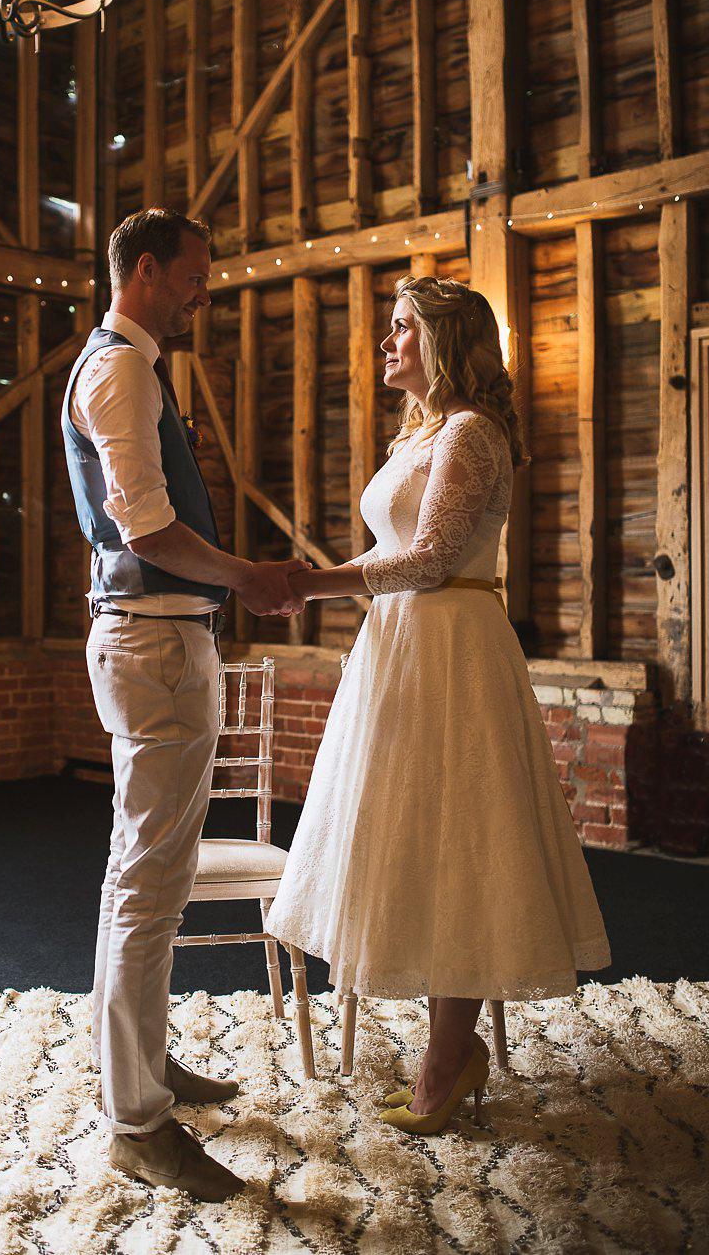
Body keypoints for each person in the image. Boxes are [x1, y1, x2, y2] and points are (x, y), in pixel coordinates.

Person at [265, 275, 611, 1135]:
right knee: (408, 836)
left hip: (450, 647)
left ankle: (447, 1058)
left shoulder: (470, 433)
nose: (387, 344)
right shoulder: (423, 433)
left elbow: (430, 558)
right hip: (398, 648)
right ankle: (450, 1050)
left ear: (445, 342)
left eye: (401, 329)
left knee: (459, 836)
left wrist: (313, 584)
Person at [61, 208, 309, 1201]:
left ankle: (146, 1072)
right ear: (149, 269)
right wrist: (248, 574)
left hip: (163, 637)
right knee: (146, 885)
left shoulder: (130, 363)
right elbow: (151, 529)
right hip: (153, 638)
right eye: (197, 275)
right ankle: (135, 1123)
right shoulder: (120, 369)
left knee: (150, 884)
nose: (207, 290)